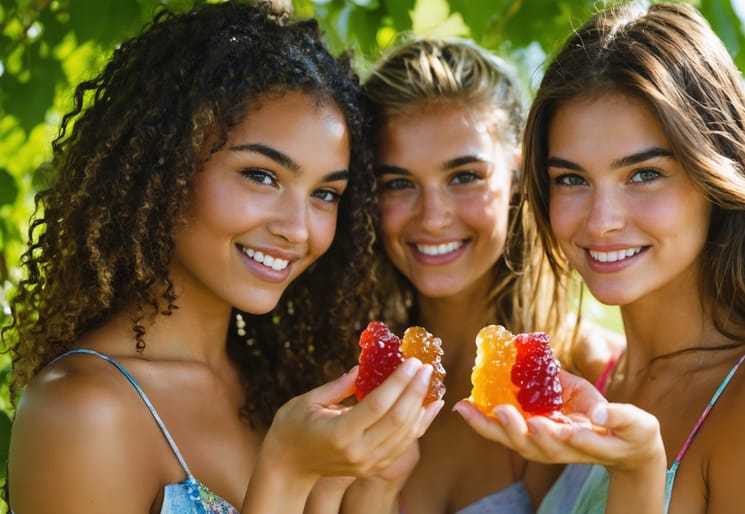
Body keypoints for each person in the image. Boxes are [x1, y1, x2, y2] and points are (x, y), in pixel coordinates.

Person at [454, 2, 745, 514]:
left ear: (718, 173)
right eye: (571, 179)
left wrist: (639, 474)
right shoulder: (594, 376)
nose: (601, 221)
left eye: (644, 174)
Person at [2, 2, 441, 513]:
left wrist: (368, 488)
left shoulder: (282, 385)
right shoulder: (80, 410)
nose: (297, 229)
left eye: (325, 194)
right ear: (164, 166)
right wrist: (286, 471)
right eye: (261, 175)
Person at [336, 37, 623, 514]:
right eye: (399, 184)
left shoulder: (600, 377)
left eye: (464, 176)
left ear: (516, 176)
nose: (432, 218)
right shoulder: (349, 386)